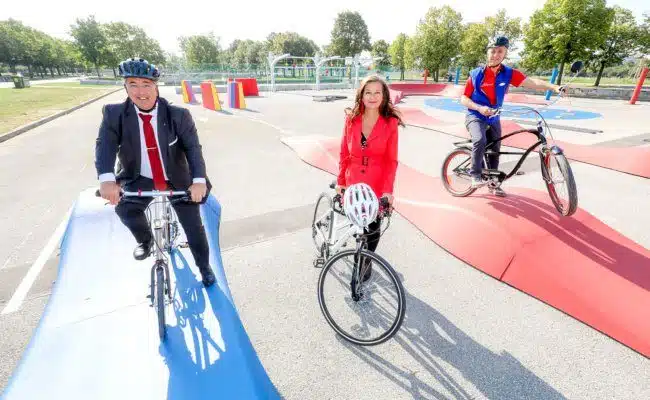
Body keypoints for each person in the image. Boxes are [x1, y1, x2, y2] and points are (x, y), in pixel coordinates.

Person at [95, 57, 216, 287]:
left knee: (194, 227)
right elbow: (105, 146)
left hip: (177, 179)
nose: (140, 92)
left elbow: (193, 148)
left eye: (146, 84)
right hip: (138, 177)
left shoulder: (178, 115)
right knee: (125, 210)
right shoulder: (114, 114)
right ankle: (146, 240)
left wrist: (198, 181)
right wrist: (107, 179)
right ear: (125, 87)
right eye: (133, 84)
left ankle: (204, 266)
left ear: (156, 86)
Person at [460, 35, 565, 197]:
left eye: (500, 51)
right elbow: (464, 98)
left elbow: (532, 82)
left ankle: (493, 183)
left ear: (504, 54)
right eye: (492, 51)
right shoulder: (476, 74)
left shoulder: (508, 73)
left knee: (495, 151)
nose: (495, 55)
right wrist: (479, 108)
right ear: (487, 53)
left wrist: (554, 87)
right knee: (480, 140)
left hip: (494, 118)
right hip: (475, 115)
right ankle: (475, 175)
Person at [336, 74, 404, 280]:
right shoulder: (351, 119)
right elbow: (343, 153)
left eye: (377, 92)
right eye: (368, 92)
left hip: (376, 182)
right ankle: (358, 251)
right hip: (353, 180)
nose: (373, 97)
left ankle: (365, 260)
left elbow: (391, 160)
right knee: (357, 224)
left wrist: (388, 191)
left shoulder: (390, 123)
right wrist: (340, 181)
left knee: (373, 227)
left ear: (384, 96)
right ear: (361, 95)